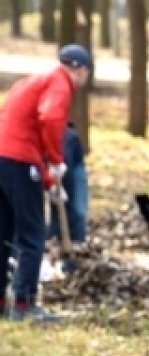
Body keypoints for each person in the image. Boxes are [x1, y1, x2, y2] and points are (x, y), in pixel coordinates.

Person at [0, 44, 90, 321]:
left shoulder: (33, 81)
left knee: (4, 231)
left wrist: (50, 181)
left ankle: (2, 299)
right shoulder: (60, 84)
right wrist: (56, 157)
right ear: (82, 70)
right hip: (20, 160)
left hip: (3, 157)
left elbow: (26, 127)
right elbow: (50, 118)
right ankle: (24, 304)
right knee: (32, 234)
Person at [46, 121, 89, 271]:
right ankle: (51, 260)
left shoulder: (67, 140)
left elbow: (67, 180)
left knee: (76, 212)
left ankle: (73, 263)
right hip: (36, 162)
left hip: (68, 163)